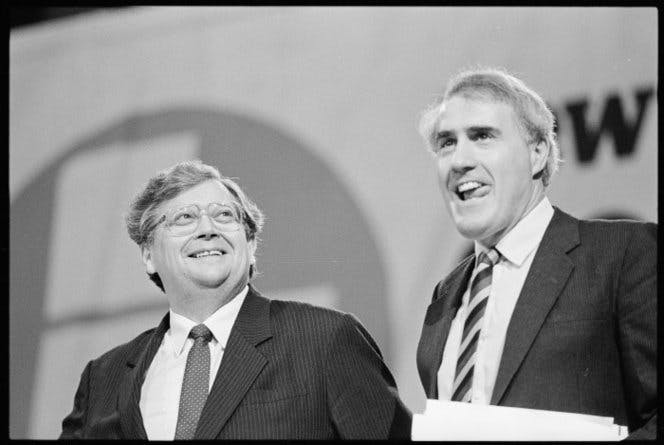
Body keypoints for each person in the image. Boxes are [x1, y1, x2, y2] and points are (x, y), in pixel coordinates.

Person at [60, 160, 411, 440]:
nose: (207, 228)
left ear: (251, 244)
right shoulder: (103, 377)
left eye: (224, 215)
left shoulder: (325, 339)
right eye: (185, 218)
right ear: (149, 254)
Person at [415, 68, 656, 439]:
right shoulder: (444, 299)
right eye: (446, 143)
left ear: (538, 153)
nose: (459, 160)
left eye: (482, 136)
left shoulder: (623, 254)